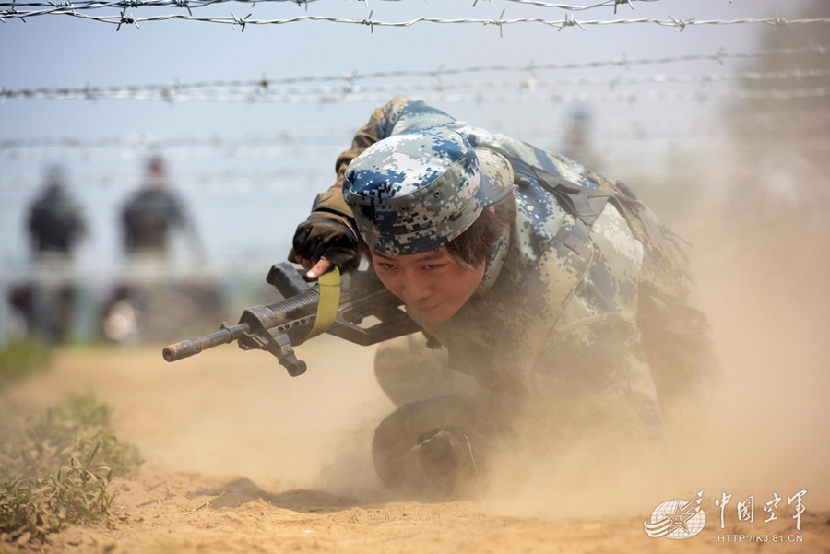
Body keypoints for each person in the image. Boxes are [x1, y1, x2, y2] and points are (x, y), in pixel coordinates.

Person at [290, 98, 720, 498]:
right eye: (387, 265)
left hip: (630, 361)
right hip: (518, 328)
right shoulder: (432, 153)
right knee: (401, 363)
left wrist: (488, 449)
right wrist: (337, 211)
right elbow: (393, 113)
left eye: (431, 267)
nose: (413, 291)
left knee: (402, 445)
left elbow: (636, 464)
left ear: (482, 236)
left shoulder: (575, 317)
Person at [24, 165, 87, 343]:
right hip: (46, 256)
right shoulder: (40, 205)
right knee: (45, 301)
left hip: (66, 256)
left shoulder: (71, 204)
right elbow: (31, 231)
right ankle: (46, 340)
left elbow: (82, 230)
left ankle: (63, 338)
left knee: (67, 298)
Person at [121, 156, 200, 257]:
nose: (156, 174)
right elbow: (126, 224)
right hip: (141, 249)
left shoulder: (170, 199)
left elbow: (186, 226)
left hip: (162, 248)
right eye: (153, 170)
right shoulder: (138, 198)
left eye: (158, 170)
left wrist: (197, 253)